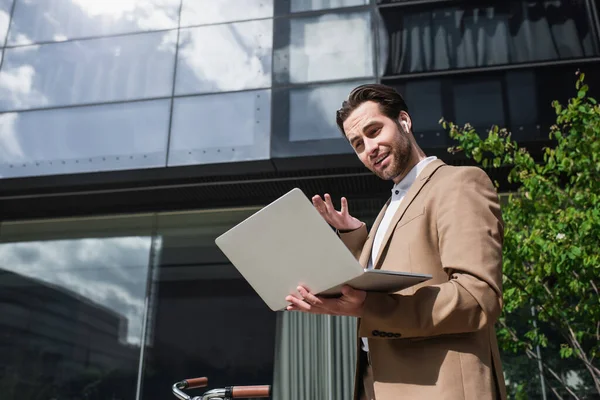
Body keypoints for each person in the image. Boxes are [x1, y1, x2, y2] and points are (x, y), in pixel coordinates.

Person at [285, 84, 507, 400]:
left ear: (404, 121)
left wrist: (370, 306)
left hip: (442, 388)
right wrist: (355, 236)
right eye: (358, 144)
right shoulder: (388, 210)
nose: (369, 148)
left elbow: (477, 297)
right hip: (377, 383)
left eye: (375, 131)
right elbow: (388, 279)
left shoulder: (458, 184)